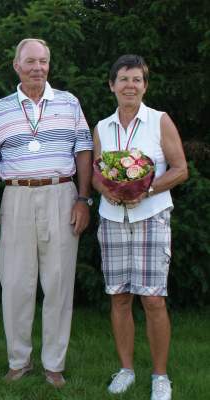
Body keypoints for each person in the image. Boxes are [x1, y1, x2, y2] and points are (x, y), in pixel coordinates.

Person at [0, 38, 93, 388]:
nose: (37, 67)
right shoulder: (0, 109)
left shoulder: (69, 103)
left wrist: (83, 200)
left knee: (58, 284)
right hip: (16, 197)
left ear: (49, 64)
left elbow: (84, 151)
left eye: (43, 61)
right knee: (15, 283)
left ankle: (54, 364)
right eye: (30, 61)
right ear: (16, 65)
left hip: (62, 194)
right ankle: (19, 361)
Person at [93, 54, 187, 400]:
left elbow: (180, 169)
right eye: (123, 79)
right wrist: (113, 191)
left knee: (152, 300)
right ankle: (126, 370)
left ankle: (160, 377)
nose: (130, 85)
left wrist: (144, 189)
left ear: (144, 85)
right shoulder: (102, 127)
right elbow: (96, 175)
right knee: (119, 297)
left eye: (136, 79)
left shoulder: (159, 121)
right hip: (113, 219)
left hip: (152, 218)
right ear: (112, 85)